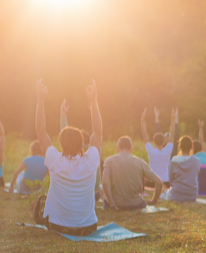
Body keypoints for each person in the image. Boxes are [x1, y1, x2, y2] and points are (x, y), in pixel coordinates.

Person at [31, 79, 104, 235]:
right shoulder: (91, 160)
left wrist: (40, 100)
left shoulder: (55, 160)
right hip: (88, 227)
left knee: (41, 201)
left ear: (61, 143)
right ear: (82, 142)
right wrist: (93, 100)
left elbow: (40, 132)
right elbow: (98, 132)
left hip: (59, 227)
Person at [103, 135, 163, 210]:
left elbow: (105, 181)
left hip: (116, 204)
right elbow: (159, 182)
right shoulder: (140, 162)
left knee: (104, 196)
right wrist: (153, 201)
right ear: (131, 149)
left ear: (117, 148)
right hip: (136, 204)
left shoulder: (109, 161)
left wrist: (112, 205)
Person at [166, 135, 201, 203]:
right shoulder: (197, 161)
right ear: (191, 147)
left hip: (176, 194)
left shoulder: (174, 161)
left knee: (164, 195)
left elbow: (171, 181)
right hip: (192, 195)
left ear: (179, 147)